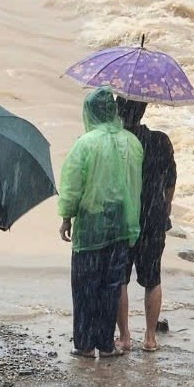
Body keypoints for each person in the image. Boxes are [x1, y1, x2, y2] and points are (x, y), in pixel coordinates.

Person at [58, 88, 142, 358]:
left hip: (91, 224)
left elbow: (72, 186)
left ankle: (84, 344)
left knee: (85, 287)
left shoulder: (84, 144)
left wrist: (66, 217)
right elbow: (134, 186)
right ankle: (106, 344)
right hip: (121, 223)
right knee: (111, 287)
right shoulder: (132, 143)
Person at [114, 97, 177, 353]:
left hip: (124, 216)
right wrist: (166, 206)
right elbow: (171, 179)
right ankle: (150, 338)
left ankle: (125, 336)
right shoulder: (160, 141)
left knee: (120, 279)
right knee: (153, 279)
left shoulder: (117, 143)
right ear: (144, 110)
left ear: (119, 111)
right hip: (153, 216)